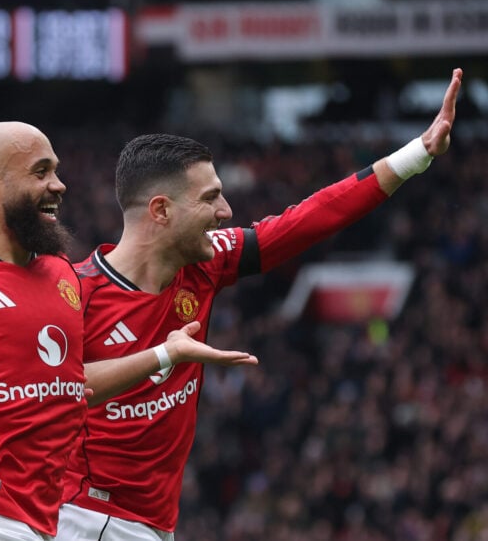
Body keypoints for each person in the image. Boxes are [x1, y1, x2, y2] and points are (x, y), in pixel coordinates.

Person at [57, 68, 463, 540]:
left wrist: (418, 154)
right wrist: (164, 355)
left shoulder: (205, 265)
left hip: (150, 523)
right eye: (210, 198)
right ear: (161, 210)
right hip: (85, 518)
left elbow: (312, 218)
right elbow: (58, 391)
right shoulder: (75, 294)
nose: (226, 211)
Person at [0, 121, 253, 540]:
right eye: (41, 172)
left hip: (41, 517)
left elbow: (75, 386)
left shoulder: (60, 272)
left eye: (56, 171)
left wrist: (165, 354)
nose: (59, 185)